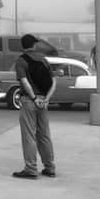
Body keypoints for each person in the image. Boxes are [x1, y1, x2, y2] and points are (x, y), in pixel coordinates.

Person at [12, 34, 57, 179]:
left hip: (29, 101)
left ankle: (31, 169)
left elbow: (24, 81)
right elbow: (53, 81)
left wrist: (33, 98)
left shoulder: (21, 61)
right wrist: (46, 99)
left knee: (29, 135)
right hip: (44, 101)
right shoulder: (44, 60)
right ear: (34, 45)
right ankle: (50, 167)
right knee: (44, 135)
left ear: (23, 46)